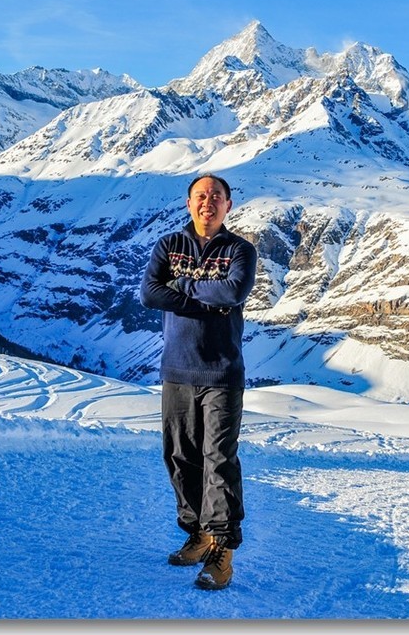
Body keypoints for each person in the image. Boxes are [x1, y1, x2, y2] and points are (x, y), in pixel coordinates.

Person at [139, 174, 258, 591]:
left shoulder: (241, 250)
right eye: (201, 196)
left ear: (229, 205)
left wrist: (185, 286)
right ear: (189, 203)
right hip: (177, 370)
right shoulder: (169, 245)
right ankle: (199, 532)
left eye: (217, 197)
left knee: (219, 461)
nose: (209, 202)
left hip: (222, 374)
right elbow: (149, 294)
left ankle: (222, 550)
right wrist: (207, 297)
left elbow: (233, 292)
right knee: (179, 457)